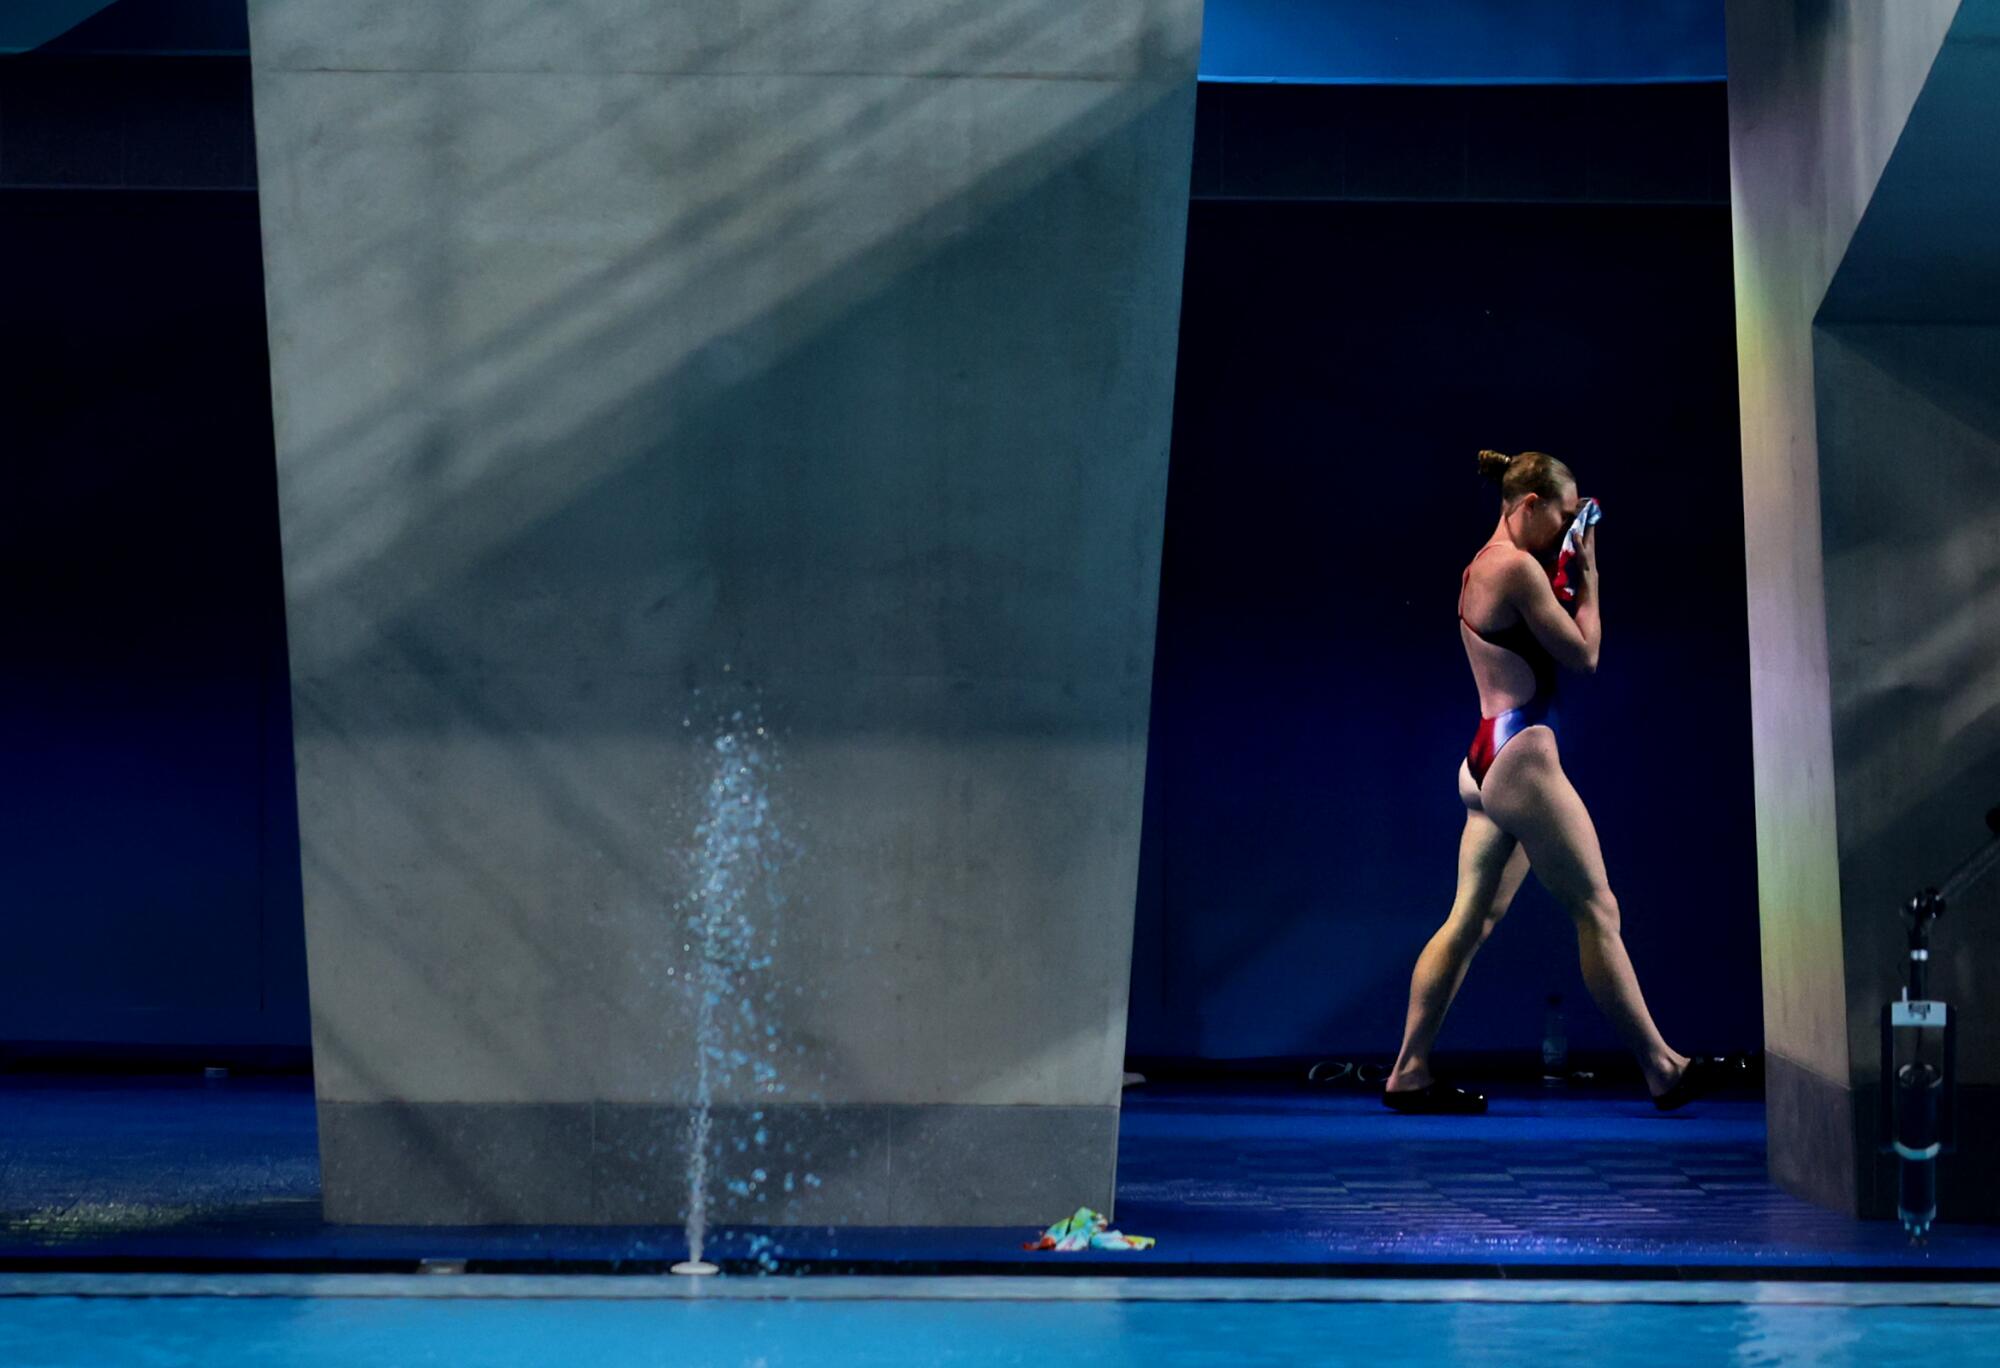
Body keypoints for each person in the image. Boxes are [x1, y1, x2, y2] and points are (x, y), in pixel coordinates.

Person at [1380, 448, 1744, 1114]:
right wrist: (1591, 566)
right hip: (1521, 759)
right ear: (1527, 506)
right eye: (1563, 517)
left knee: (1470, 919)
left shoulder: (1481, 567)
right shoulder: (1516, 567)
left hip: (1484, 756)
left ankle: (1409, 1071)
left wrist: (1568, 550)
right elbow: (1584, 654)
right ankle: (1664, 1068)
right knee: (1597, 910)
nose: (1567, 530)